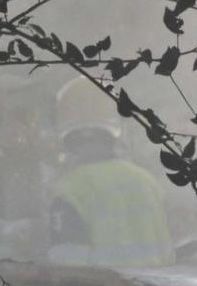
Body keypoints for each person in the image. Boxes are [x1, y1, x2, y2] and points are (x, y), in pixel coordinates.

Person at [47, 77, 176, 268]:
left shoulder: (69, 191)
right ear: (115, 132)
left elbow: (68, 268)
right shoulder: (147, 182)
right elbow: (170, 252)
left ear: (69, 139)